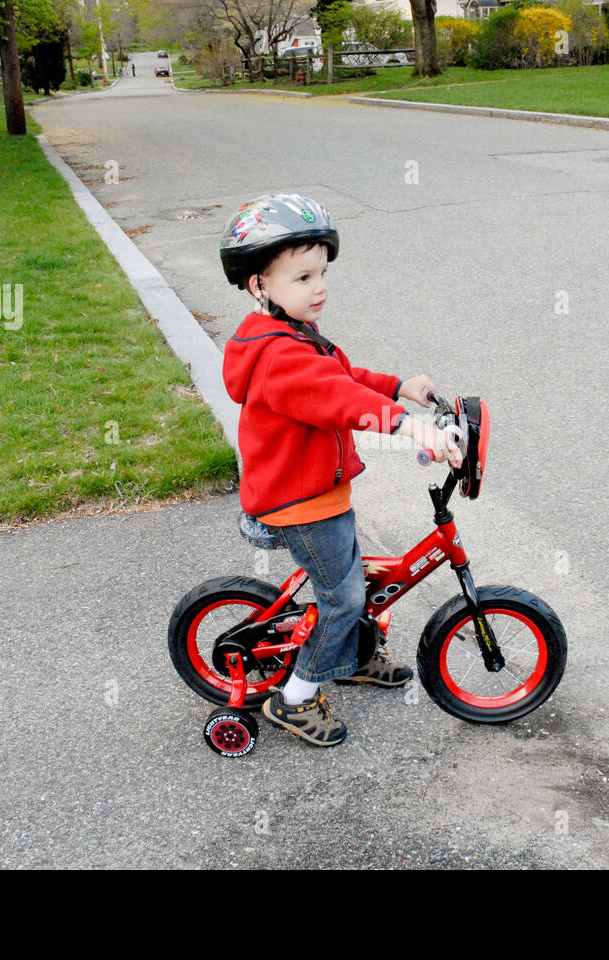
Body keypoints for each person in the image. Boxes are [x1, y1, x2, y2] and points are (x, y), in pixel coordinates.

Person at [220, 194, 461, 748]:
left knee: (362, 577)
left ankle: (348, 658)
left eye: (321, 273)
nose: (319, 287)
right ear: (259, 286)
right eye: (302, 277)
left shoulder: (300, 336)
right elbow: (339, 400)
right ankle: (296, 697)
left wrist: (402, 388)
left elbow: (348, 378)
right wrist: (409, 426)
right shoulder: (281, 358)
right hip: (298, 504)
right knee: (345, 597)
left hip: (321, 495)